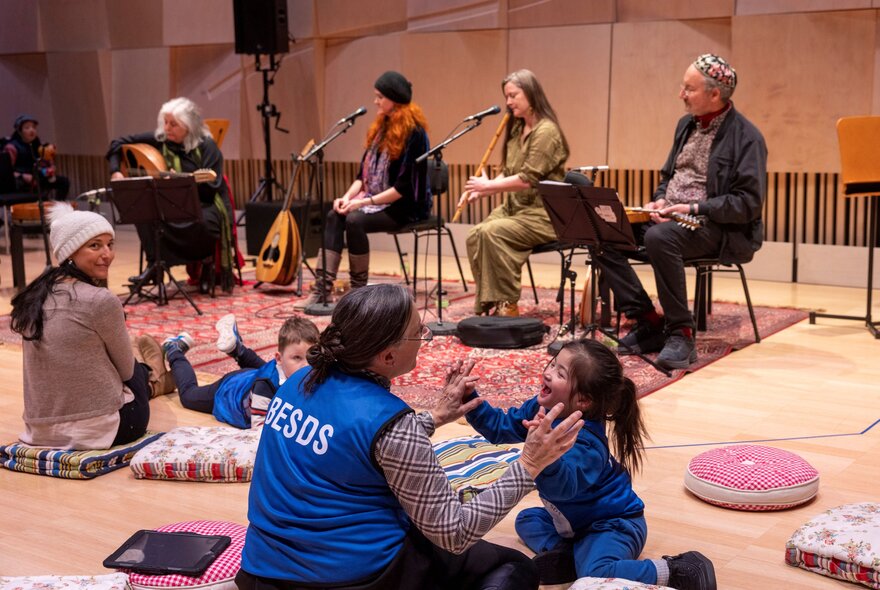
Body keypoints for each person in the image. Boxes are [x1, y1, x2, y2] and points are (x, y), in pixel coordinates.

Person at [238, 283, 585, 590]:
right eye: (418, 332)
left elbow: (350, 447)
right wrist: (529, 464)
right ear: (387, 355)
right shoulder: (391, 424)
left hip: (259, 569)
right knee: (515, 568)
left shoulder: (297, 382)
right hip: (348, 577)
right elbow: (454, 533)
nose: (425, 335)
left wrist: (433, 417)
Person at [456, 339, 717, 590]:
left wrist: (543, 454)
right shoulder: (541, 409)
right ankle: (568, 558)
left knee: (596, 573)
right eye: (552, 363)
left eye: (560, 373)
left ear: (582, 401)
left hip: (614, 524)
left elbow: (563, 488)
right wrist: (471, 401)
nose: (548, 373)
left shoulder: (587, 443)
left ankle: (676, 571)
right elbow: (501, 428)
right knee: (527, 519)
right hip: (573, 523)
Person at [593, 54, 767, 370]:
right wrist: (660, 201)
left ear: (715, 94)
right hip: (673, 221)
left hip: (719, 228)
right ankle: (648, 321)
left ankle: (681, 334)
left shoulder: (747, 138)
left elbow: (747, 204)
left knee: (661, 238)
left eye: (688, 88)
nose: (681, 94)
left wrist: (694, 207)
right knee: (602, 229)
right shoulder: (685, 125)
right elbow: (667, 178)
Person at [9, 203, 173, 450]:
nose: (107, 254)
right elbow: (127, 373)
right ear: (70, 252)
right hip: (104, 429)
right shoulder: (100, 300)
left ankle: (154, 369)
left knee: (117, 353)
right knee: (137, 370)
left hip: (39, 430)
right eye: (95, 245)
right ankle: (157, 374)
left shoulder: (33, 297)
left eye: (110, 244)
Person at [298, 71, 431, 308]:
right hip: (374, 201)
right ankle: (322, 289)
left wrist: (361, 203)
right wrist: (346, 197)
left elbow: (402, 189)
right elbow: (363, 176)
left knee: (354, 221)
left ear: (394, 98)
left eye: (380, 97)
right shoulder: (381, 128)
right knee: (334, 214)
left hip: (405, 206)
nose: (375, 102)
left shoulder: (415, 134)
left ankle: (359, 295)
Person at [462, 69, 569, 317]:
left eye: (513, 95)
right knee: (475, 235)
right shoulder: (516, 129)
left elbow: (526, 179)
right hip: (515, 208)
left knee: (492, 233)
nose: (508, 102)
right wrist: (482, 189)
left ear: (531, 94)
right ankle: (490, 301)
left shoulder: (547, 132)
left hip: (543, 213)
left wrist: (487, 187)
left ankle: (507, 303)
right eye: (506, 96)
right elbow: (509, 171)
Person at [106, 97, 235, 291]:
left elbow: (211, 188)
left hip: (205, 202)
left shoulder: (207, 146)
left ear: (189, 126)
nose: (167, 128)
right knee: (142, 212)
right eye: (165, 122)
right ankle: (155, 265)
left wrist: (183, 184)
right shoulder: (162, 140)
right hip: (172, 202)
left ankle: (206, 265)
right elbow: (117, 143)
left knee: (205, 223)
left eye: (173, 124)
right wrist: (116, 170)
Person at [161, 314, 319, 429]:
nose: (306, 365)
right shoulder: (264, 387)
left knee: (266, 370)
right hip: (230, 390)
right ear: (278, 358)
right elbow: (260, 432)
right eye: (297, 358)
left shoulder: (305, 370)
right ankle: (174, 350)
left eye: (311, 357)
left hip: (254, 377)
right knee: (189, 396)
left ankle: (237, 348)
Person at [3, 114, 70, 199]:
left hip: (37, 177)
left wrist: (51, 167)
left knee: (63, 182)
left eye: (34, 127)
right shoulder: (12, 147)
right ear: (19, 131)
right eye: (27, 128)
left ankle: (58, 207)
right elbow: (7, 173)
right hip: (21, 180)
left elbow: (46, 163)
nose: (32, 130)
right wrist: (22, 176)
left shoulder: (38, 145)